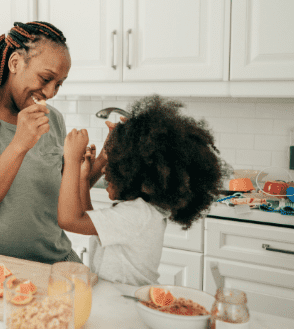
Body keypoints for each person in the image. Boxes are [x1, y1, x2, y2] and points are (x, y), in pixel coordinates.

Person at [0, 21, 108, 264]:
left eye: (59, 83)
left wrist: (104, 159)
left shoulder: (54, 120)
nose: (51, 93)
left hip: (53, 262)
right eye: (45, 78)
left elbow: (65, 194)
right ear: (15, 63)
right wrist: (20, 143)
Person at [58, 95, 226, 286]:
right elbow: (88, 219)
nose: (104, 169)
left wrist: (71, 159)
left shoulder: (137, 215)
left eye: (113, 166)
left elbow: (69, 220)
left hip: (125, 301)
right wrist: (83, 178)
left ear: (139, 177)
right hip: (117, 297)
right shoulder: (144, 211)